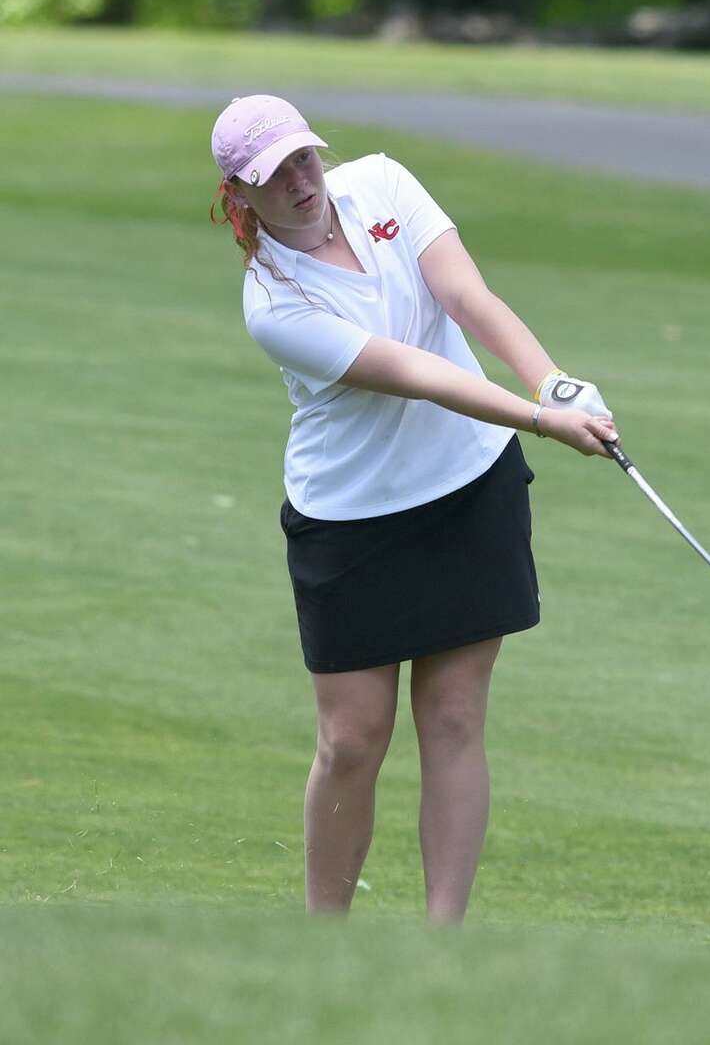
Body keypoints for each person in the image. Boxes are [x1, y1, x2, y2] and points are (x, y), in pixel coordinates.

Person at [209, 94, 619, 921]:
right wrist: (544, 420)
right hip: (351, 519)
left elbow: (468, 298)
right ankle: (325, 942)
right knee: (352, 739)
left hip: (469, 488)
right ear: (237, 198)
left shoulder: (385, 184)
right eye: (272, 176)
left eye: (303, 158)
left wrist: (551, 379)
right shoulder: (275, 304)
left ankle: (442, 949)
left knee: (457, 718)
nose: (299, 181)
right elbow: (420, 373)